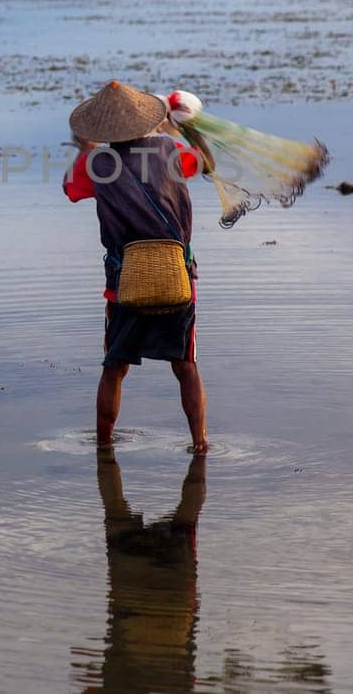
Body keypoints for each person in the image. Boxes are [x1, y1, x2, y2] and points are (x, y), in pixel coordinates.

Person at [64, 80, 208, 453]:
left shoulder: (97, 163)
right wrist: (186, 126)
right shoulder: (171, 149)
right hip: (179, 278)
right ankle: (200, 445)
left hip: (123, 284)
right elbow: (203, 162)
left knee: (115, 368)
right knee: (185, 366)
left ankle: (103, 449)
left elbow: (71, 189)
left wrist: (85, 148)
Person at [75, 448, 206, 693]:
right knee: (118, 509)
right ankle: (201, 450)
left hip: (170, 605)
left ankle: (105, 446)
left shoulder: (124, 684)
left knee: (184, 516)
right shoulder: (120, 683)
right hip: (145, 604)